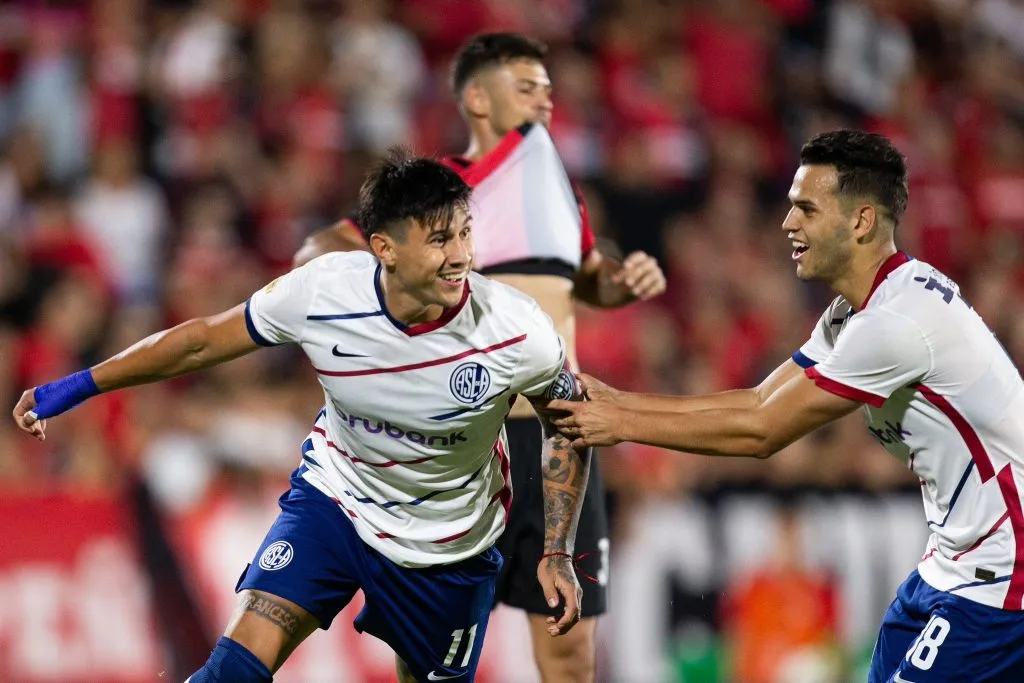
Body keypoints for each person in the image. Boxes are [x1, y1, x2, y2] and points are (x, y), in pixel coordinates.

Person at [13, 150, 592, 683]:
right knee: (232, 670)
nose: (461, 255)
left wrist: (558, 550)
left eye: (466, 233)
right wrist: (76, 385)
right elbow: (198, 343)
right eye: (440, 239)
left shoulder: (515, 329)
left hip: (447, 545)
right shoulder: (325, 292)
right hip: (334, 504)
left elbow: (571, 424)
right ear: (384, 248)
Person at [549, 129, 1024, 682]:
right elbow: (757, 400)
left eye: (806, 208)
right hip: (953, 561)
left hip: (1004, 572)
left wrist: (619, 420)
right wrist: (618, 403)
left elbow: (763, 431)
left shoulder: (895, 325)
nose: (788, 223)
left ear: (861, 220)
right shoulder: (861, 309)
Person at [294, 33, 667, 683]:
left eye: (549, 89)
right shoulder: (442, 193)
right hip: (466, 440)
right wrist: (331, 272)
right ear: (476, 97)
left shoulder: (555, 190)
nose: (546, 102)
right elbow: (335, 242)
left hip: (562, 439)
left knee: (570, 649)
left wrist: (620, 281)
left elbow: (588, 278)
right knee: (430, 654)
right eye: (527, 87)